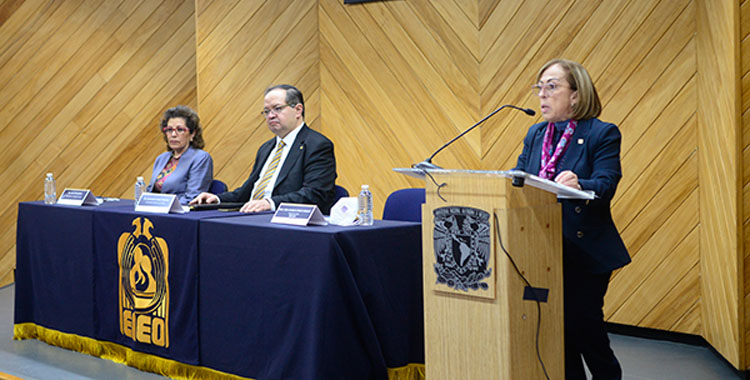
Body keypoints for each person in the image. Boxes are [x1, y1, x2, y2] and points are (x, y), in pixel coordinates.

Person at [513, 59, 631, 380]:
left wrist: (582, 183)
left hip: (584, 252)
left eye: (552, 86)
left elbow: (607, 182)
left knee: (584, 328)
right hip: (542, 250)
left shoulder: (601, 133)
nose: (542, 95)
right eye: (539, 87)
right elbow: (519, 178)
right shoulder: (536, 134)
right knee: (554, 332)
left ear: (576, 95)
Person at [190, 84, 336, 214]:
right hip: (252, 217)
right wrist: (216, 199)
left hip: (284, 221)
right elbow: (247, 192)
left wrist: (269, 203)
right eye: (266, 111)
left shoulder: (317, 145)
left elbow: (315, 194)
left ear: (298, 110)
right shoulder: (266, 148)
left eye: (277, 109)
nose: (271, 116)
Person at [146, 105, 213, 205]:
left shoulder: (200, 158)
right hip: (157, 210)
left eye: (180, 130)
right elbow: (150, 191)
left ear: (192, 134)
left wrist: (163, 206)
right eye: (169, 130)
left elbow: (193, 197)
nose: (173, 134)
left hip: (180, 213)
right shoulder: (161, 158)